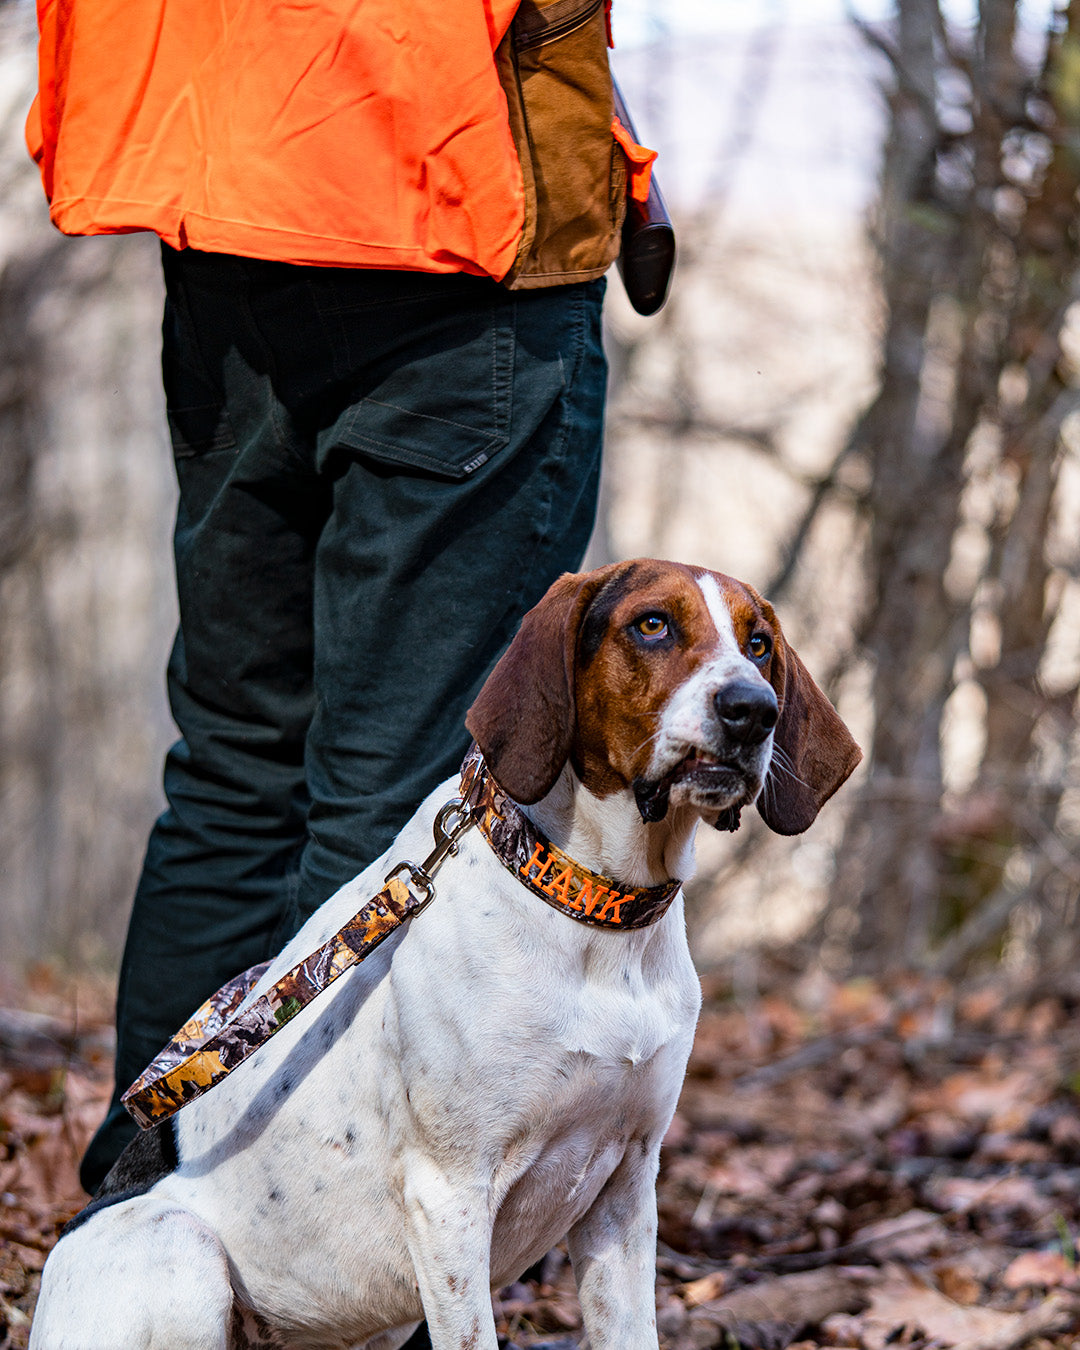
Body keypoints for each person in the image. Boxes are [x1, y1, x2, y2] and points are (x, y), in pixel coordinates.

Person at [27, 0, 650, 1195]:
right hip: (457, 219)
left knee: (232, 771)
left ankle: (145, 1238)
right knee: (397, 804)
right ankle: (321, 1265)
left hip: (220, 192)